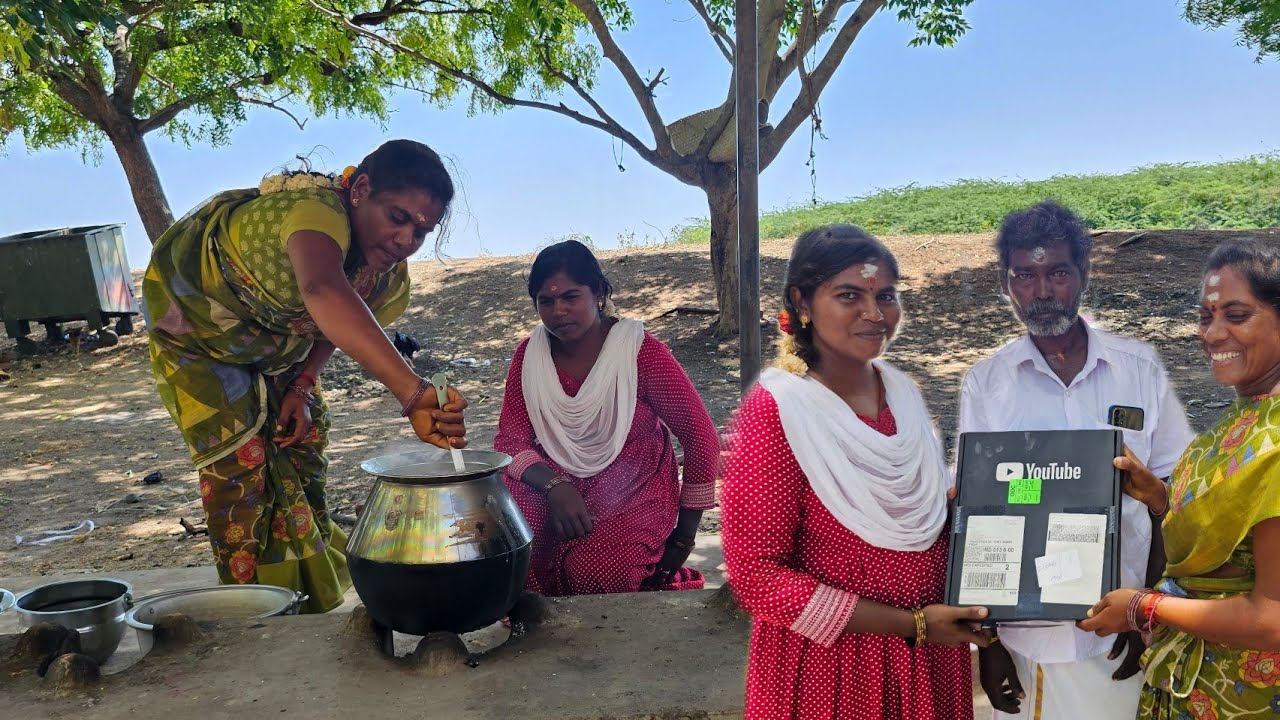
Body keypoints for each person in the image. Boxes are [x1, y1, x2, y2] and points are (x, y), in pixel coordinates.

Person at [144, 139, 469, 613]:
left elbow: (333, 319)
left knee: (302, 443)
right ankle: (255, 608)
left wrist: (302, 384)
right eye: (398, 217)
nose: (406, 240)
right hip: (197, 334)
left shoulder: (380, 270)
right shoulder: (316, 213)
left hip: (279, 349)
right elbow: (321, 289)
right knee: (241, 466)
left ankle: (307, 598)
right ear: (360, 190)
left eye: (422, 230)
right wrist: (413, 392)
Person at [721, 225, 990, 720]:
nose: (875, 314)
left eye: (885, 295)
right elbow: (757, 577)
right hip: (834, 671)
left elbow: (924, 521)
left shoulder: (903, 395)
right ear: (802, 302)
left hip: (932, 658)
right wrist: (912, 624)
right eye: (849, 296)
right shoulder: (778, 412)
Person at [958, 200, 1195, 718]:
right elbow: (979, 511)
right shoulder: (986, 384)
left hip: (1120, 634)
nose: (1042, 291)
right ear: (1006, 284)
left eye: (1058, 273)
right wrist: (990, 643)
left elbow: (1173, 496)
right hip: (1026, 640)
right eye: (1025, 275)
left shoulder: (1139, 370)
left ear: (1084, 274)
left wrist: (1145, 610)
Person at [1079, 238, 1280, 719]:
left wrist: (1142, 608)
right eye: (1206, 316)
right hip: (1190, 683)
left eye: (1237, 315)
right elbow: (1231, 536)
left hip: (1243, 694)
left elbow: (1271, 618)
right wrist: (1160, 498)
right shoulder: (1243, 420)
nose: (1213, 333)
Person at [492, 239, 719, 596]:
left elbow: (700, 436)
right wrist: (555, 486)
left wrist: (684, 538)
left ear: (598, 293)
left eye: (571, 297)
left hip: (634, 485)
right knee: (513, 548)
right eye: (546, 301)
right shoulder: (530, 356)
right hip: (555, 483)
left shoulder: (638, 352)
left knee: (597, 574)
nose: (558, 311)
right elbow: (511, 441)